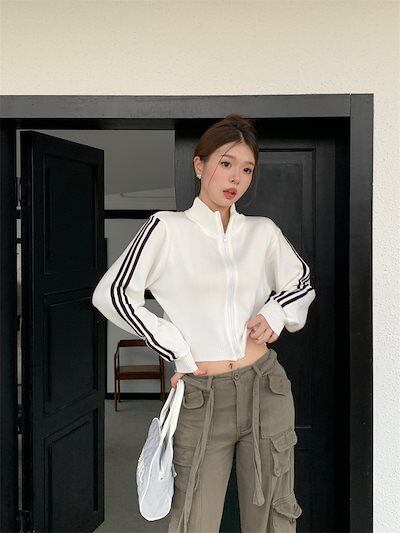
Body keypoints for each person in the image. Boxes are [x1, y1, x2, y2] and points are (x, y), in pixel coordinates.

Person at [91, 114, 316, 532]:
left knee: (274, 515)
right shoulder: (167, 228)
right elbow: (112, 294)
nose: (236, 178)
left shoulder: (262, 233)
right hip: (201, 395)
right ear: (200, 164)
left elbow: (300, 281)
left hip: (265, 386)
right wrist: (177, 349)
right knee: (193, 518)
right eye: (226, 163)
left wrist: (275, 312)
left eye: (246, 169)